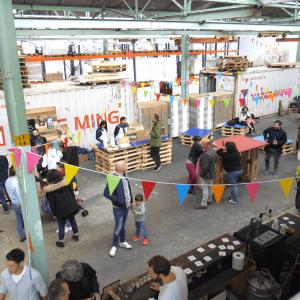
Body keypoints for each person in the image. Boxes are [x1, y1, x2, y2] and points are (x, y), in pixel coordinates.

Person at [43, 169, 80, 247]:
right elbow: (72, 193)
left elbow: (52, 204)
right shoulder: (66, 182)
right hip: (70, 206)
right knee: (72, 220)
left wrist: (54, 213)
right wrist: (74, 202)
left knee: (61, 225)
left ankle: (61, 242)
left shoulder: (50, 191)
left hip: (60, 210)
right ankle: (76, 235)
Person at [104, 161, 133, 257]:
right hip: (118, 208)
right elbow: (106, 193)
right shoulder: (113, 179)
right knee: (118, 227)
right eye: (125, 165)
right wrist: (118, 200)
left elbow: (128, 190)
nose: (127, 166)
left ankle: (123, 241)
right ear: (120, 168)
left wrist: (131, 201)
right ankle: (114, 245)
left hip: (126, 206)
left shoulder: (125, 176)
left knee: (123, 226)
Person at [5, 167, 26, 242]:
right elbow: (20, 195)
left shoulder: (7, 181)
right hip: (19, 204)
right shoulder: (16, 183)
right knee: (26, 219)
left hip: (13, 203)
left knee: (18, 220)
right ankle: (29, 234)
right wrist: (25, 204)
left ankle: (22, 235)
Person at [196, 141, 216, 210]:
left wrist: (201, 174)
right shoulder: (213, 151)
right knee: (210, 187)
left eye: (204, 144)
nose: (203, 146)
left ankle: (204, 204)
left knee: (205, 189)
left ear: (208, 145)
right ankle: (209, 200)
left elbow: (204, 167)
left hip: (206, 175)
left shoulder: (206, 155)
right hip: (212, 173)